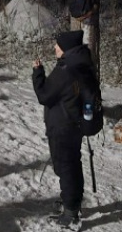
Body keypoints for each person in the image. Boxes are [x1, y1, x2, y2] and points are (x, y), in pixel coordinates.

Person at [32, 30, 91, 228]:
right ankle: (73, 200)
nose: (54, 48)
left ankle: (70, 212)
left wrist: (38, 73)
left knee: (65, 168)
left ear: (66, 48)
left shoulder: (65, 70)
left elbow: (44, 95)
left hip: (62, 127)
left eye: (58, 45)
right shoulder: (82, 64)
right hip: (75, 125)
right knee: (73, 164)